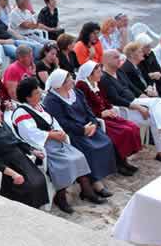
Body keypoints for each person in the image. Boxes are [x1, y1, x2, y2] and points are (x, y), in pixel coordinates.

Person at [12, 78, 92, 213]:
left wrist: (59, 132)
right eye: (37, 93)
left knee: (79, 156)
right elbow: (30, 134)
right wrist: (51, 135)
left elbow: (52, 121)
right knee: (65, 163)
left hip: (55, 141)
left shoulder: (39, 107)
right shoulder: (21, 112)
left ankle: (86, 189)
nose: (40, 95)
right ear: (28, 97)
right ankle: (60, 197)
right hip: (43, 146)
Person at [100, 49, 161, 166]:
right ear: (106, 60)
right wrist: (139, 107)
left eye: (119, 56)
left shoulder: (119, 71)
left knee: (156, 114)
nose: (119, 59)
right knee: (157, 106)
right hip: (124, 109)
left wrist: (144, 97)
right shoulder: (104, 78)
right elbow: (115, 99)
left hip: (135, 102)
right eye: (116, 57)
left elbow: (132, 87)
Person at [42, 69, 116, 201]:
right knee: (90, 149)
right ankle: (95, 184)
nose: (72, 80)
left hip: (88, 128)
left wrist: (94, 124)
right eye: (69, 79)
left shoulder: (76, 92)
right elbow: (61, 122)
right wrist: (82, 130)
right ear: (61, 83)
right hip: (72, 133)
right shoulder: (52, 100)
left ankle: (97, 179)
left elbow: (88, 110)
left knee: (107, 142)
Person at [0, 94, 49, 208]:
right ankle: (23, 212)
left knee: (40, 180)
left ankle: (34, 209)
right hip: (3, 168)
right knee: (28, 186)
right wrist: (14, 174)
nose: (1, 113)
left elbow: (15, 140)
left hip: (19, 160)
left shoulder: (0, 124)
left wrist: (32, 151)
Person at [75, 61, 142, 175]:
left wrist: (110, 108)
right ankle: (119, 163)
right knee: (123, 131)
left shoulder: (96, 83)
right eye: (98, 72)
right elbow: (85, 108)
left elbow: (104, 100)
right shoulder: (82, 86)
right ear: (90, 74)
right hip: (96, 119)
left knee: (133, 127)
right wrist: (101, 114)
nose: (101, 74)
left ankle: (124, 159)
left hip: (106, 115)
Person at [122, 41, 161, 129]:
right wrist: (146, 93)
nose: (142, 53)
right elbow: (131, 87)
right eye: (139, 52)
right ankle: (159, 129)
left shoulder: (135, 65)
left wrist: (150, 87)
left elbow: (146, 79)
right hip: (138, 97)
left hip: (147, 91)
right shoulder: (127, 68)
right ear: (132, 55)